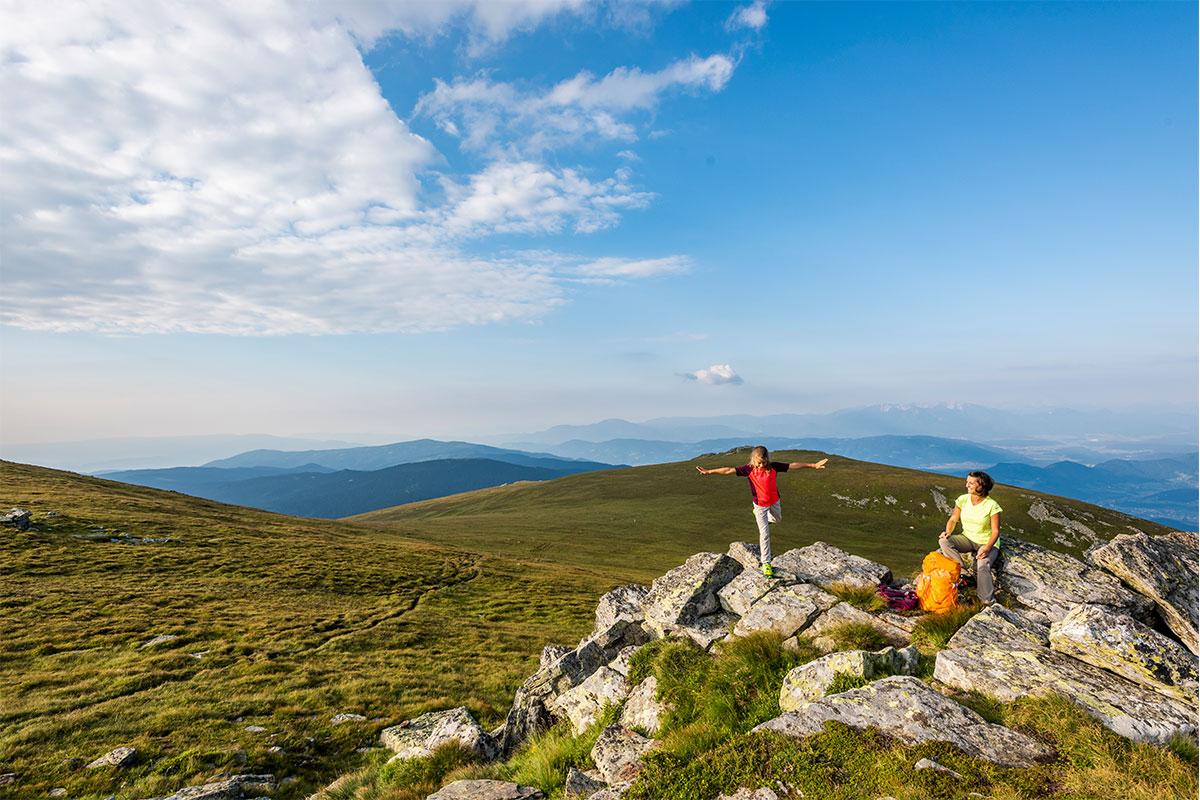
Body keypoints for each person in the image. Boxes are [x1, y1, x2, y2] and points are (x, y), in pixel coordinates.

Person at [696, 446, 828, 577]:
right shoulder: (748, 470)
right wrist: (709, 472)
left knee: (777, 519)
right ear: (753, 460)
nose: (761, 465)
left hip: (774, 501)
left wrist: (813, 465)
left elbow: (792, 466)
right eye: (758, 462)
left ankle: (765, 519)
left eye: (763, 462)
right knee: (764, 534)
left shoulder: (773, 467)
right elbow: (728, 470)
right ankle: (766, 563)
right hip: (759, 506)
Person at [939, 471, 1002, 604]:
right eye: (967, 482)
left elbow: (995, 532)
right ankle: (965, 575)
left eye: (971, 483)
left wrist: (987, 548)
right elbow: (953, 518)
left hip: (986, 542)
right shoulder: (963, 499)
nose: (967, 485)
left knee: (982, 564)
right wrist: (948, 532)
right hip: (967, 538)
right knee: (944, 541)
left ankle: (987, 601)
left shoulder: (992, 506)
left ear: (981, 486)